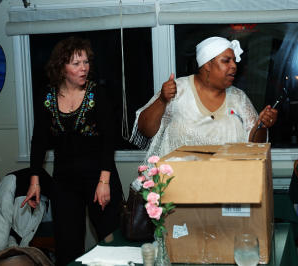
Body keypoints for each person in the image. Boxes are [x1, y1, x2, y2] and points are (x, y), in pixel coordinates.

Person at [21, 36, 123, 266]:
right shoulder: (47, 97)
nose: (83, 68)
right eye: (76, 63)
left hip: (100, 177)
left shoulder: (98, 94)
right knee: (67, 245)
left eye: (86, 62)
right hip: (65, 181)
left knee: (111, 240)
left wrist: (104, 182)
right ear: (61, 67)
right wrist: (34, 181)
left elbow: (109, 140)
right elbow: (38, 140)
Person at [130, 36, 278, 160]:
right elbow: (146, 130)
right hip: (178, 186)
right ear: (207, 64)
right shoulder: (178, 90)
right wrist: (162, 100)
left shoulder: (239, 98)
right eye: (226, 61)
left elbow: (254, 147)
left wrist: (262, 125)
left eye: (234, 60)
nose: (234, 66)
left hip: (226, 185)